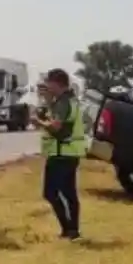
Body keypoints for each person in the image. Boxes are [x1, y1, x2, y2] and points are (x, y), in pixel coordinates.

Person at [33, 68, 86, 241]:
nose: (47, 86)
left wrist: (38, 122)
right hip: (68, 152)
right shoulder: (68, 100)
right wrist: (48, 102)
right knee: (69, 193)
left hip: (62, 153)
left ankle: (68, 228)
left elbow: (56, 126)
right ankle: (72, 230)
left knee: (51, 192)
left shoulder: (64, 102)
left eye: (49, 82)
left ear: (57, 83)